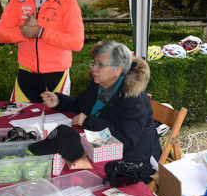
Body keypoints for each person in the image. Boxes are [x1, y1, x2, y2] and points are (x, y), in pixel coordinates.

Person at [41, 41, 161, 183]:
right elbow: (81, 105)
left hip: (131, 163)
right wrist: (59, 101)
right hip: (99, 148)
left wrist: (88, 122)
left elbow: (125, 142)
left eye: (100, 64)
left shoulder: (133, 99)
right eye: (94, 63)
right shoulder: (99, 84)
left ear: (118, 70)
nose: (93, 69)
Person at [0, 0, 84, 103]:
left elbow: (76, 42)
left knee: (54, 124)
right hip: (26, 74)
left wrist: (41, 32)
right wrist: (23, 32)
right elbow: (0, 34)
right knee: (18, 122)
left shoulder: (68, 2)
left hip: (57, 75)